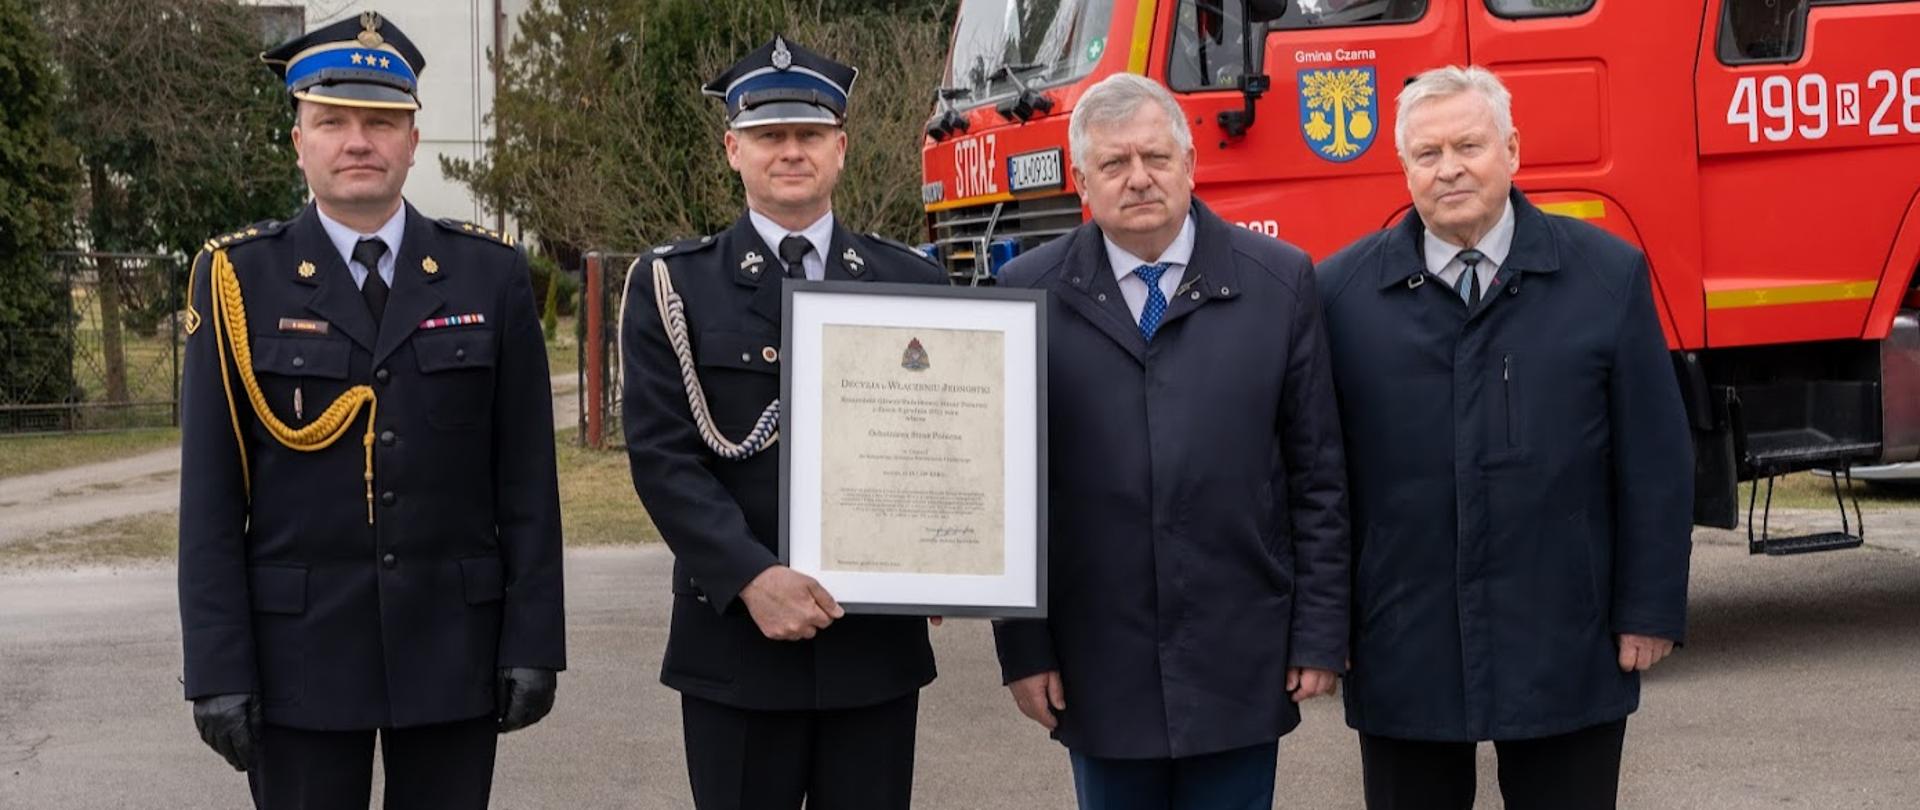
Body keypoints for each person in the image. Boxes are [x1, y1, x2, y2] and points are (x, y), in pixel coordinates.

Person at [176, 12, 564, 809]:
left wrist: (534, 639)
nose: (358, 141)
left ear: (413, 141)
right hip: (298, 657)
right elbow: (210, 500)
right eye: (333, 122)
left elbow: (527, 481)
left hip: (453, 647)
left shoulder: (488, 274)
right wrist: (216, 667)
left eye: (381, 122)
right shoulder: (237, 280)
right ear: (299, 141)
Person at [1314, 65, 1693, 810]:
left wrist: (1649, 609)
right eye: (1427, 153)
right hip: (1404, 636)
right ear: (1404, 167)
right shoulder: (1340, 295)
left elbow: (1655, 459)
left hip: (1565, 632)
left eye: (1469, 146)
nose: (1449, 168)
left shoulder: (1606, 276)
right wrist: (1327, 626)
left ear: (1512, 150)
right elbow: (1320, 477)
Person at [990, 73, 1351, 810]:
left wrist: (1318, 635)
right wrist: (1023, 648)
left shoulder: (1280, 283)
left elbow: (1317, 476)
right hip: (1098, 660)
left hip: (1239, 651)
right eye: (1114, 163)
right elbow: (1006, 490)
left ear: (1190, 163)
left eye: (1155, 157)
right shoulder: (1025, 294)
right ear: (1082, 182)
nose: (1139, 178)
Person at [619, 36, 947, 810]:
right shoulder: (674, 284)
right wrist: (751, 578)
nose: (790, 151)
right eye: (769, 135)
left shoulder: (913, 279)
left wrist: (945, 550)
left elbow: (944, 440)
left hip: (872, 650)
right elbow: (664, 457)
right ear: (733, 150)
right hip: (736, 645)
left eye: (809, 134)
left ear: (841, 149)